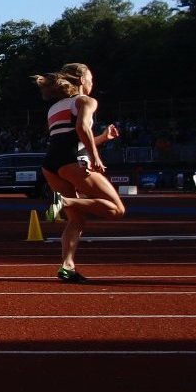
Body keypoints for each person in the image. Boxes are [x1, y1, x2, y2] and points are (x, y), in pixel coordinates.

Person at [36, 63, 126, 283]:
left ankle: (67, 266)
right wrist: (96, 157)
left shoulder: (55, 108)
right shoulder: (86, 101)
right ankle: (63, 202)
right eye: (91, 78)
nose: (92, 83)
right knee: (116, 209)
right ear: (81, 80)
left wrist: (102, 138)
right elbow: (81, 129)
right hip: (71, 162)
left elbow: (68, 140)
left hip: (51, 164)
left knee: (76, 221)